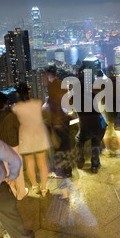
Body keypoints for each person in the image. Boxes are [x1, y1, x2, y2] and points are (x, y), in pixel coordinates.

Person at [0, 92, 28, 200]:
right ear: (4, 104)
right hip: (13, 145)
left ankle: (12, 192)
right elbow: (19, 128)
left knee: (6, 170)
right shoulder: (11, 115)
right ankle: (21, 192)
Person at [12, 83, 51, 197]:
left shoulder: (15, 108)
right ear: (29, 93)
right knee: (42, 163)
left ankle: (35, 186)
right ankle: (44, 189)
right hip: (39, 136)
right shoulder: (38, 103)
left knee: (29, 164)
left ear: (17, 94)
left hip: (26, 138)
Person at [44, 66, 77, 200]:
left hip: (58, 126)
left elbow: (54, 105)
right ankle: (74, 183)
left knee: (60, 160)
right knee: (67, 155)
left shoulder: (53, 87)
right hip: (65, 124)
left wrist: (48, 107)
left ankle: (65, 193)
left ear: (48, 74)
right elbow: (67, 104)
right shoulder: (62, 84)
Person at [75, 68, 107, 174]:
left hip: (86, 127)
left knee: (79, 140)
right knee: (96, 142)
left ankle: (80, 161)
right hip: (97, 125)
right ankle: (95, 165)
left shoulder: (77, 98)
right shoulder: (93, 95)